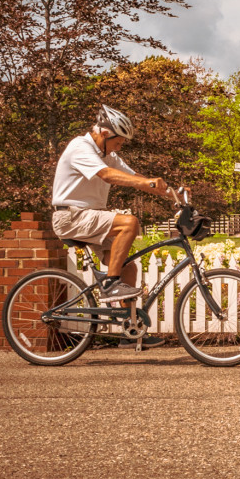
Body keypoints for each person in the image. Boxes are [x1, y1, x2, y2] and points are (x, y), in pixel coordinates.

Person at [50, 105, 169, 346]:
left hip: (89, 217)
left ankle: (131, 330)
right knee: (129, 223)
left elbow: (138, 180)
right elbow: (106, 175)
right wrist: (149, 183)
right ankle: (110, 284)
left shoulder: (108, 155)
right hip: (70, 217)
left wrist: (175, 193)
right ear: (104, 134)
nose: (120, 147)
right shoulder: (80, 147)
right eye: (119, 142)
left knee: (129, 269)